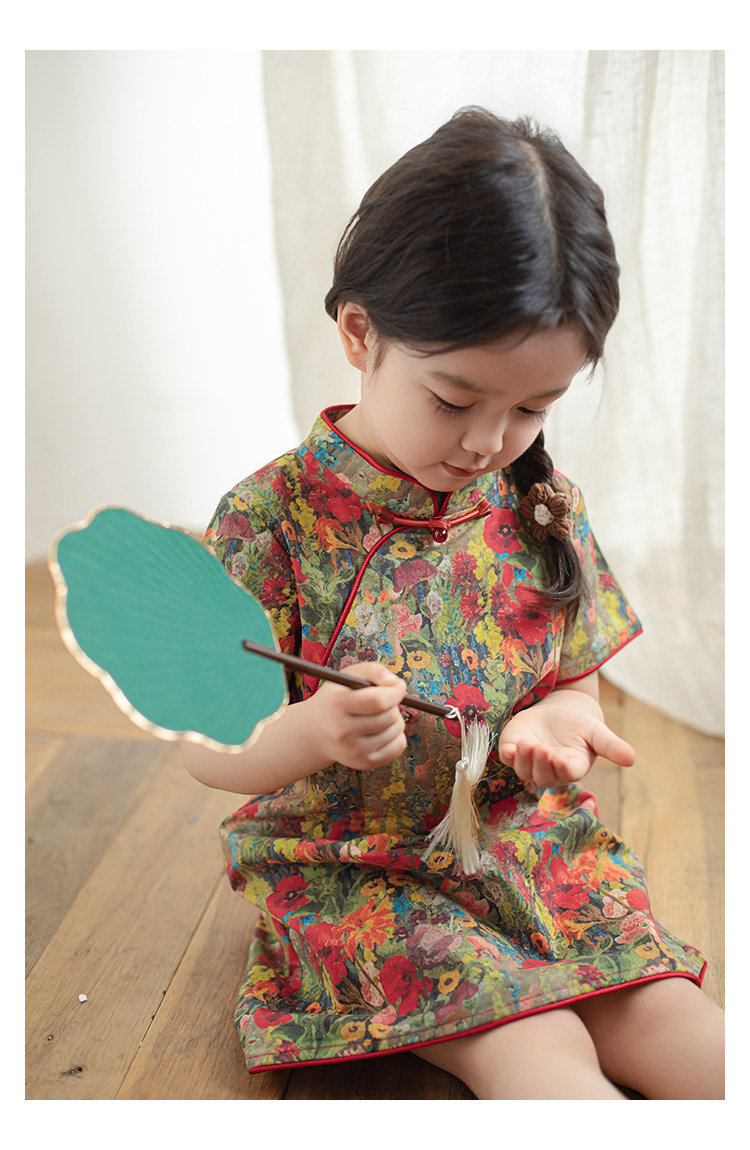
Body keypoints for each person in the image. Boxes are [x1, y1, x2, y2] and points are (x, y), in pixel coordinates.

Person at [181, 107, 724, 1099]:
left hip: (522, 843)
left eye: (532, 407)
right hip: (360, 872)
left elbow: (575, 679)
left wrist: (560, 722)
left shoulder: (539, 505)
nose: (487, 441)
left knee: (674, 1020)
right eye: (455, 398)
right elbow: (205, 749)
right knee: (536, 1048)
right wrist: (313, 730)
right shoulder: (271, 521)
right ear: (361, 333)